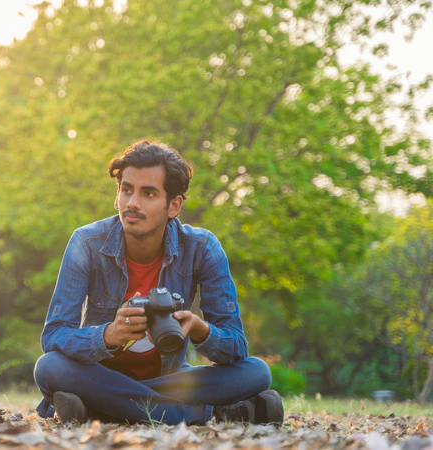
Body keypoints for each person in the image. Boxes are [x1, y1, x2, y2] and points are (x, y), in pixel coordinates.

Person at [33, 140, 283, 425]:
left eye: (148, 193)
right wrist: (108, 336)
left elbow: (237, 347)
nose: (132, 203)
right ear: (117, 197)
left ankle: (100, 405)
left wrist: (200, 330)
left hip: (172, 379)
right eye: (126, 190)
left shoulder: (202, 247)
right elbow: (53, 336)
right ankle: (200, 414)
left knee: (257, 372)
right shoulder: (86, 243)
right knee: (49, 367)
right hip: (99, 373)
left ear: (173, 205)